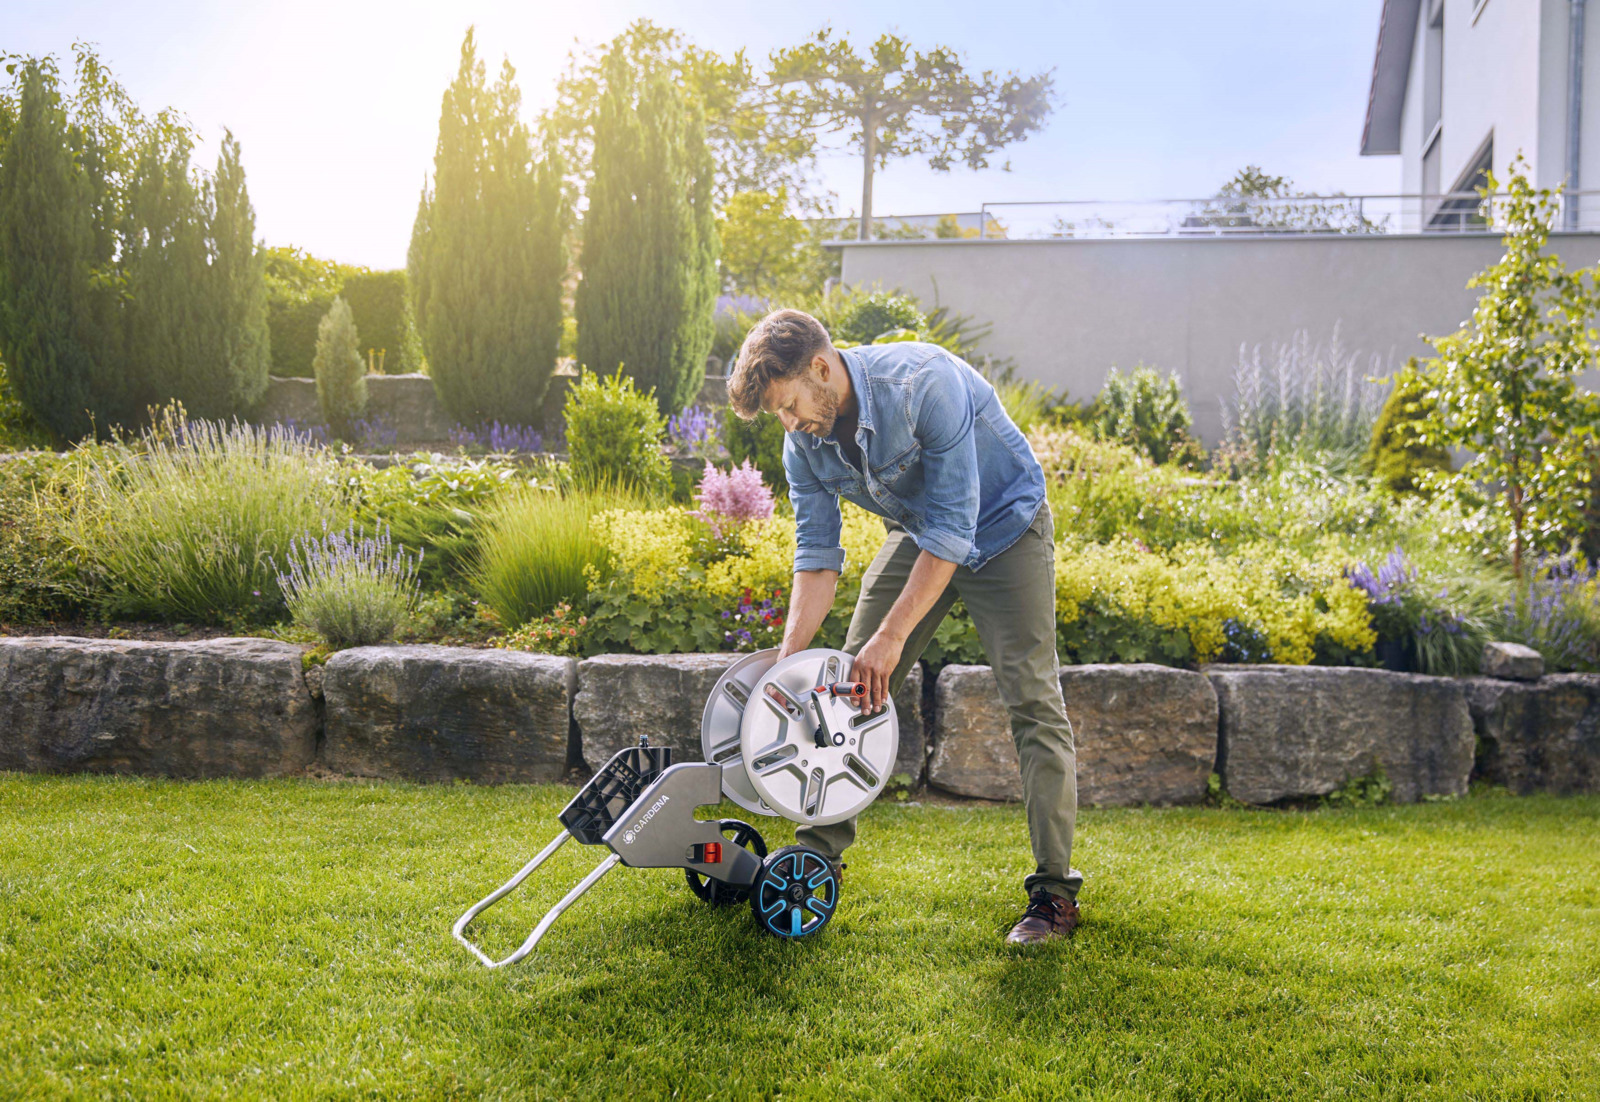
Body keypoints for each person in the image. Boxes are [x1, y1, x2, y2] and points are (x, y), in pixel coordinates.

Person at [726, 308, 1083, 946]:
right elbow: (816, 553)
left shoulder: (923, 383)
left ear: (820, 367)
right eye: (778, 415)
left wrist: (889, 641)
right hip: (924, 535)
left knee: (1033, 700)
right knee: (844, 684)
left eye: (788, 405)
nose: (790, 423)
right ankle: (814, 861)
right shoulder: (803, 439)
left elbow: (955, 528)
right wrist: (787, 660)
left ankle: (1054, 893)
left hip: (1005, 529)